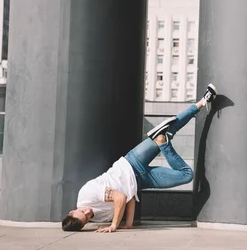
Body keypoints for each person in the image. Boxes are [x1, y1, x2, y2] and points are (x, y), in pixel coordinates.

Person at [61, 84, 218, 232]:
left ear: (72, 211)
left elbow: (120, 197)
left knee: (170, 129)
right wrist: (128, 224)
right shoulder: (97, 217)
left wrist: (114, 225)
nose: (88, 212)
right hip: (141, 182)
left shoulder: (86, 194)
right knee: (186, 175)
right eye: (87, 217)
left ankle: (203, 101)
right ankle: (162, 141)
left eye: (83, 211)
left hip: (132, 163)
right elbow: (128, 196)